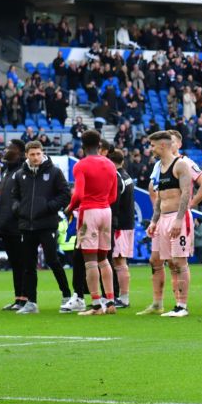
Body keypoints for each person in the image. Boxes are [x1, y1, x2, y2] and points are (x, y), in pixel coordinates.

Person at [139, 130, 202, 315]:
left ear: (162, 145)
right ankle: (165, 303)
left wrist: (180, 219)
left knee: (180, 262)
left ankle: (182, 306)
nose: (151, 149)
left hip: (177, 217)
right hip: (163, 218)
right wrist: (154, 221)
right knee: (169, 262)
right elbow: (159, 198)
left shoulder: (181, 165)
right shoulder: (160, 167)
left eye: (153, 145)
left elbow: (186, 193)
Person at [13, 140, 74, 314]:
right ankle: (31, 302)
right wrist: (18, 208)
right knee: (28, 265)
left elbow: (65, 194)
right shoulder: (20, 175)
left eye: (38, 154)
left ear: (43, 153)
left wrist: (49, 207)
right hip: (27, 226)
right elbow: (15, 197)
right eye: (32, 154)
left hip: (47, 224)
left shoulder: (54, 172)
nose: (35, 157)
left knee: (52, 260)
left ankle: (67, 296)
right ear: (26, 155)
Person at [67, 129, 119, 315]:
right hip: (106, 211)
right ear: (99, 145)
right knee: (104, 259)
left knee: (90, 261)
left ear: (82, 146)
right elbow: (113, 195)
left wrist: (69, 208)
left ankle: (96, 305)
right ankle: (110, 301)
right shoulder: (110, 164)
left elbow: (79, 194)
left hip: (89, 212)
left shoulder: (81, 165)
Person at [0, 139, 30, 310]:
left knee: (22, 263)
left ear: (20, 152)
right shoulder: (7, 172)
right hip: (6, 226)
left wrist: (19, 215)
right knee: (15, 264)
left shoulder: (23, 171)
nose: (6, 150)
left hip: (18, 226)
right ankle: (18, 298)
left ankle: (26, 298)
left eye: (10, 148)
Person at [109, 148, 135, 308]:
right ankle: (121, 296)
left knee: (119, 261)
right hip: (127, 223)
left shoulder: (117, 177)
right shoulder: (126, 176)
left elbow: (115, 203)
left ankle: (124, 298)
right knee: (118, 261)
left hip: (120, 226)